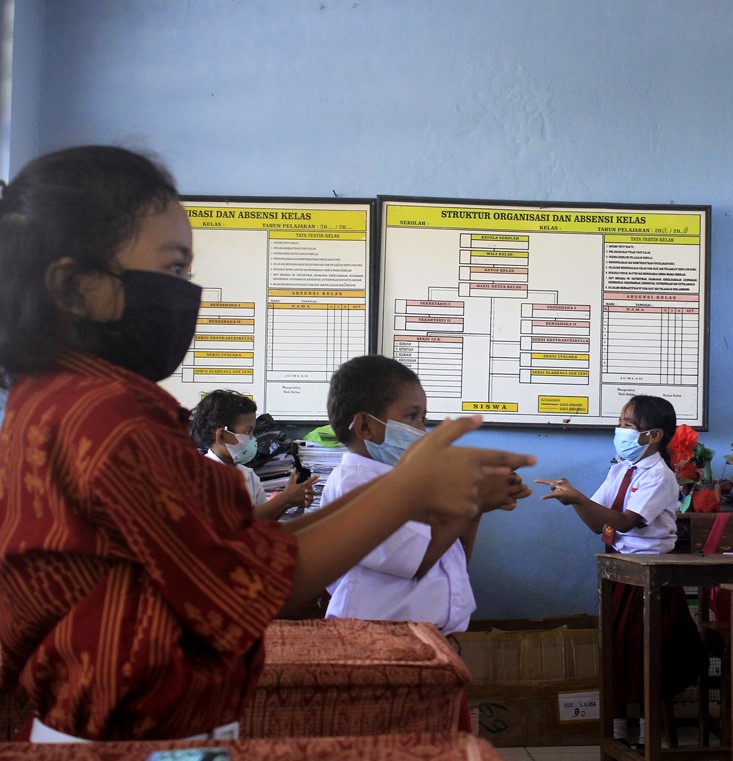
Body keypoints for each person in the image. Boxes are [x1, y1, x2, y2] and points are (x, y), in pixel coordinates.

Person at [0, 145, 534, 743]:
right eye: (174, 269)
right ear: (73, 285)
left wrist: (416, 494)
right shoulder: (108, 419)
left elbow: (243, 552)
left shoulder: (61, 399)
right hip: (131, 737)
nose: (186, 294)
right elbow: (246, 587)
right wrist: (410, 488)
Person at [535, 395, 707, 750]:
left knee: (646, 653)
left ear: (654, 435)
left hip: (650, 577)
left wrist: (579, 498)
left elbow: (628, 522)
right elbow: (598, 525)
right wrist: (574, 501)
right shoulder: (619, 470)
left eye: (629, 425)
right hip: (619, 571)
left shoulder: (659, 475)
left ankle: (647, 732)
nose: (621, 431)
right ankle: (615, 729)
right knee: (616, 651)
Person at [321, 354, 530, 635]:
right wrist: (476, 500)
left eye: (423, 418)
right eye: (411, 416)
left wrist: (477, 503)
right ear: (365, 427)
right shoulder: (355, 482)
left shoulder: (407, 483)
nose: (422, 430)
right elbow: (417, 563)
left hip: (422, 637)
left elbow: (452, 556)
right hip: (374, 640)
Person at [190, 389, 319, 520]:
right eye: (248, 432)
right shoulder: (202, 476)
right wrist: (283, 498)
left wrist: (288, 503)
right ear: (222, 435)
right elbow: (236, 522)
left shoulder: (249, 475)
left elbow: (263, 521)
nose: (253, 438)